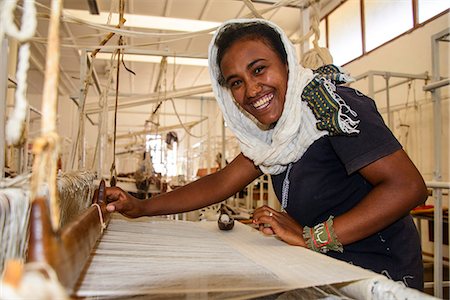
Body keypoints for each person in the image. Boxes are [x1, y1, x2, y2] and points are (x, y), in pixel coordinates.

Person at [105, 19, 427, 290]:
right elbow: (220, 183)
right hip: (326, 267)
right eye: (236, 83)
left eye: (259, 69)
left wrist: (310, 237)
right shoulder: (271, 134)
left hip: (378, 276)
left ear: (286, 62)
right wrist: (141, 207)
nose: (251, 89)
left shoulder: (331, 106)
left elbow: (407, 187)